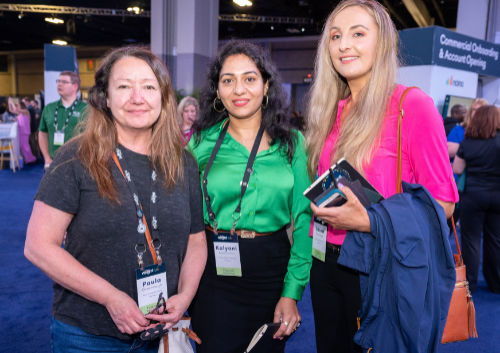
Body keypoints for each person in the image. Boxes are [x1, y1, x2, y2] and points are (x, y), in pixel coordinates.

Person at [24, 46, 207, 352]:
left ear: (163, 98)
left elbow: (197, 240)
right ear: (105, 98)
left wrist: (185, 296)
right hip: (87, 335)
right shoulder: (77, 157)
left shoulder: (182, 161)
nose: (138, 97)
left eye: (149, 87)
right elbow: (38, 246)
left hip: (160, 328)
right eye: (124, 86)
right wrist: (111, 298)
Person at [304, 1, 458, 352]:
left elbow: (444, 204)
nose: (344, 45)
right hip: (325, 261)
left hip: (380, 261)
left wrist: (370, 221)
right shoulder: (331, 110)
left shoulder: (411, 106)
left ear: (383, 43)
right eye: (335, 36)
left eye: (358, 34)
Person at [187, 40, 312, 353]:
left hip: (271, 269)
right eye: (228, 80)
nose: (239, 90)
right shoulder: (201, 142)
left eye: (250, 78)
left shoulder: (292, 142)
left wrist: (292, 292)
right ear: (217, 91)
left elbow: (303, 218)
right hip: (212, 271)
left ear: (266, 85)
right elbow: (181, 209)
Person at [453, 105, 500, 294]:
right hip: (497, 196)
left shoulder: (468, 141)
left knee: (471, 241)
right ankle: (496, 282)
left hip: (473, 196)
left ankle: (469, 284)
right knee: (495, 240)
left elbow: (457, 169)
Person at [38, 71, 87, 169]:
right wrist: (47, 158)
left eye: (64, 82)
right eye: (58, 81)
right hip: (53, 163)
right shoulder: (49, 108)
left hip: (78, 163)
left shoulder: (86, 109)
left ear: (75, 86)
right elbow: (42, 133)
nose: (59, 84)